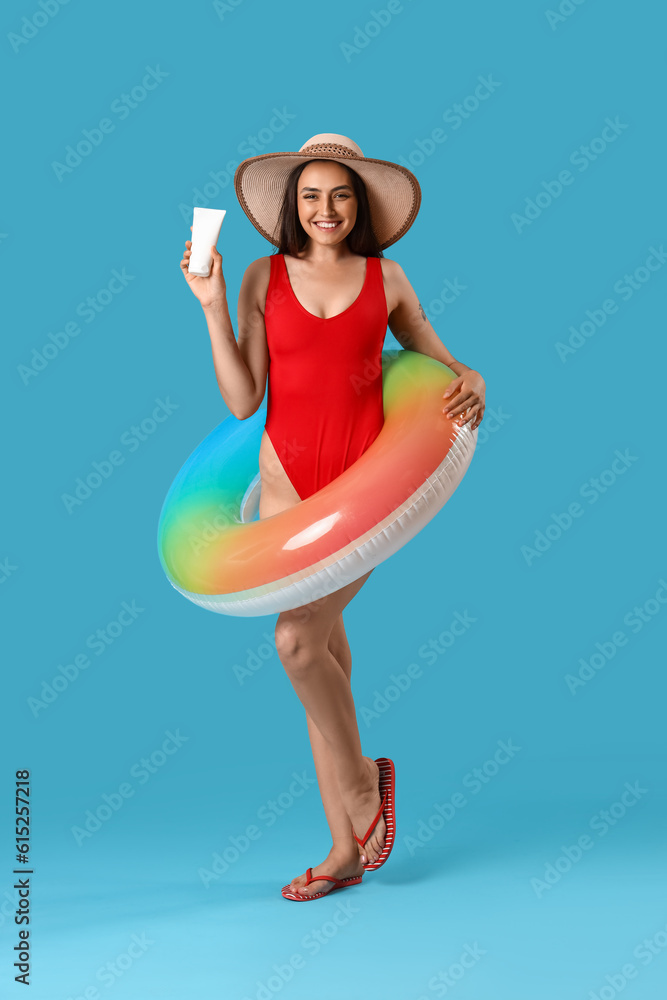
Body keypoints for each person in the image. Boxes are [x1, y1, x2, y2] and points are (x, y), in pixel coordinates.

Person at [179, 133, 486, 899]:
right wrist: (212, 306)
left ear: (360, 206)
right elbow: (245, 400)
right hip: (286, 497)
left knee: (294, 643)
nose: (325, 209)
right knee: (327, 662)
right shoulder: (259, 277)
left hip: (361, 495)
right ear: (293, 206)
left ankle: (359, 787)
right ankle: (343, 853)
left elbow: (435, 359)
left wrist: (473, 372)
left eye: (340, 195)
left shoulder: (386, 278)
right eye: (311, 196)